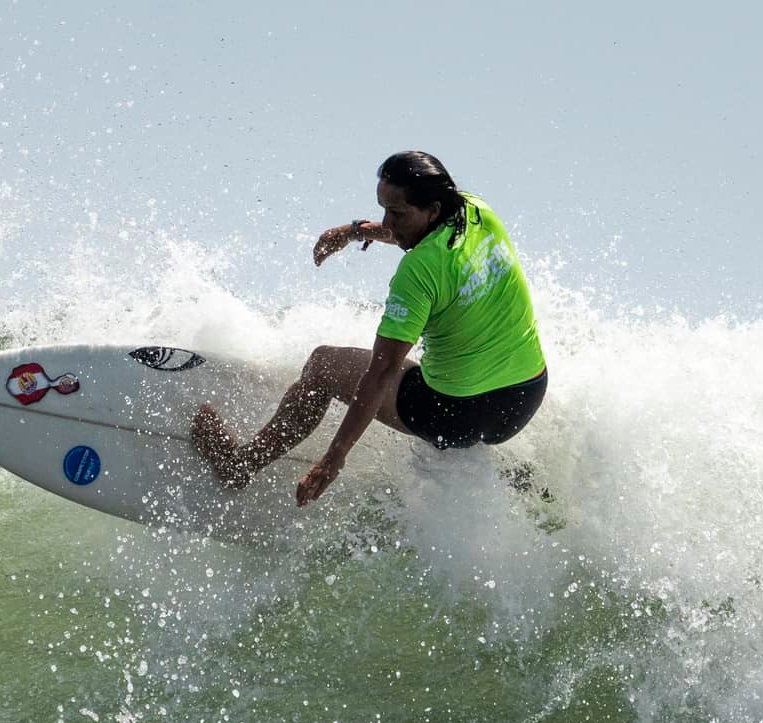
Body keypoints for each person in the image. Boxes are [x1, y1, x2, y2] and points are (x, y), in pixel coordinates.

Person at [193, 151, 547, 506]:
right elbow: (421, 233)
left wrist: (333, 459)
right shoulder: (477, 212)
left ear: (433, 209)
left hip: (452, 416)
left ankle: (238, 466)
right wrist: (355, 232)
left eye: (397, 213)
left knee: (322, 365)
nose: (387, 222)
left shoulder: (418, 272)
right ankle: (513, 480)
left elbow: (381, 372)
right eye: (383, 209)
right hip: (523, 399)